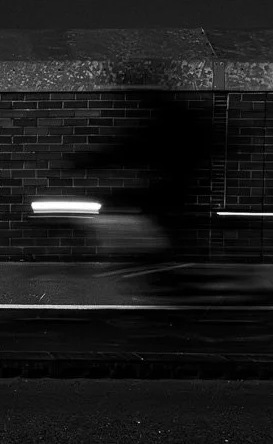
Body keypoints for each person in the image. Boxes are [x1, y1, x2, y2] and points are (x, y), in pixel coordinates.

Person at [59, 88, 221, 292]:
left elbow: (130, 149)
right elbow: (131, 149)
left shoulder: (164, 127)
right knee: (132, 208)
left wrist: (86, 162)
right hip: (175, 187)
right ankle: (154, 264)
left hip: (170, 188)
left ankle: (152, 264)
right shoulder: (173, 121)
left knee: (121, 205)